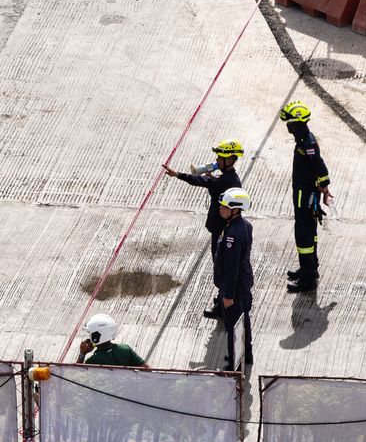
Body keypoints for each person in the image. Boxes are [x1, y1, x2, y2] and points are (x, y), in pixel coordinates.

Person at [163, 140, 245, 320]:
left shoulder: (227, 181)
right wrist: (213, 179)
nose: (216, 159)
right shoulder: (227, 178)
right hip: (219, 228)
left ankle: (224, 307)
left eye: (220, 157)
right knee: (221, 267)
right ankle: (222, 301)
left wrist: (178, 175)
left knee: (222, 268)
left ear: (230, 160)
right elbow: (212, 182)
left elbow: (201, 181)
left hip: (221, 231)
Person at [279, 102, 332, 296]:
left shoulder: (307, 143)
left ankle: (308, 278)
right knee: (308, 231)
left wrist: (324, 184)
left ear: (298, 124)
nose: (288, 127)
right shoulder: (303, 140)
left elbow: (318, 163)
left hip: (305, 195)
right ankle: (308, 267)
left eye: (290, 123)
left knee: (304, 235)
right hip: (304, 193)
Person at [213, 187, 254, 372]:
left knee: (233, 327)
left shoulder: (232, 235)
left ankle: (233, 365)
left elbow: (231, 266)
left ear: (235, 209)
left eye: (224, 207)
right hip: (243, 284)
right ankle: (247, 355)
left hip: (234, 288)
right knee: (243, 322)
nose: (220, 209)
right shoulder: (244, 226)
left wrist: (228, 294)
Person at [76, 313, 147, 368]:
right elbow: (147, 369)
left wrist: (82, 354)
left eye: (90, 334)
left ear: (96, 336)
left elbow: (76, 376)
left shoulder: (94, 360)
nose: (89, 337)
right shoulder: (125, 349)